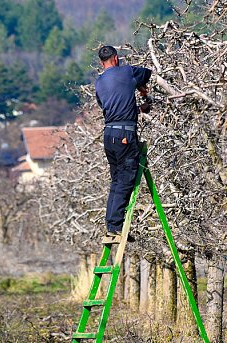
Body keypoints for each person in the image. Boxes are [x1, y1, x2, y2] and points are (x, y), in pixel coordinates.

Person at [95, 45, 152, 239]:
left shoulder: (99, 83)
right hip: (125, 135)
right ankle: (117, 225)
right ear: (116, 58)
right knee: (126, 179)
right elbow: (147, 73)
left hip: (109, 135)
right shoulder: (127, 72)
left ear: (101, 63)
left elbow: (113, 110)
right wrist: (140, 86)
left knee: (116, 179)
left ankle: (112, 224)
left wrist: (139, 109)